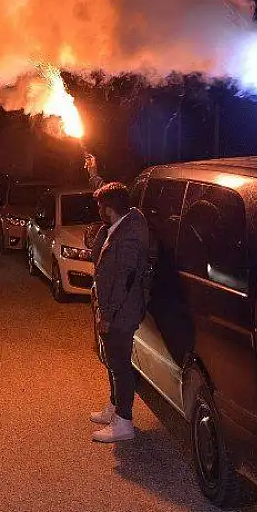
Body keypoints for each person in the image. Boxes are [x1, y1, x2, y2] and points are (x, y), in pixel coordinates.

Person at [88, 181, 150, 443]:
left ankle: (124, 422)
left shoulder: (130, 233)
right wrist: (94, 175)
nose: (98, 208)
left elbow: (125, 277)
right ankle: (115, 407)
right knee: (112, 361)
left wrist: (108, 315)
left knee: (121, 366)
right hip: (114, 309)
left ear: (110, 208)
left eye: (101, 204)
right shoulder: (117, 226)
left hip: (121, 312)